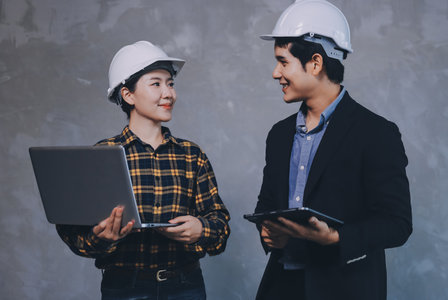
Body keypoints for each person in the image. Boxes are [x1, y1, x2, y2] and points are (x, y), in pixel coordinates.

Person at [253, 1, 412, 299]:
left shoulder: (376, 133)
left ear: (315, 63)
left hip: (345, 288)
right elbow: (267, 205)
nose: (276, 73)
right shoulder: (279, 135)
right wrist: (267, 230)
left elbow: (397, 224)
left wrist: (335, 237)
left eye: (283, 61)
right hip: (282, 288)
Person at [56, 41, 230, 300]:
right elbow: (74, 234)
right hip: (124, 288)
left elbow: (220, 227)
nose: (168, 93)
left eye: (170, 83)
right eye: (156, 83)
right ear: (128, 95)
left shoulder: (192, 155)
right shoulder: (102, 155)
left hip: (186, 286)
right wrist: (101, 237)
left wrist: (200, 230)